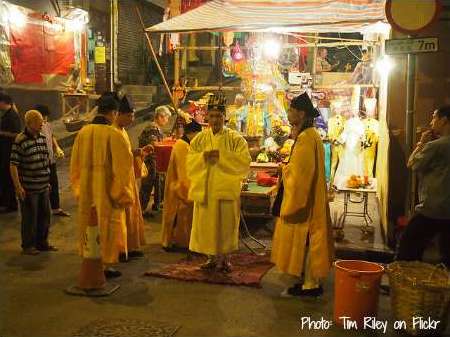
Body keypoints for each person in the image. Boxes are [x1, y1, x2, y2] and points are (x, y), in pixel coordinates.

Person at [271, 92, 334, 297]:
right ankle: (308, 282)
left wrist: (284, 170)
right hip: (312, 198)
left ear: (301, 113)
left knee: (307, 241)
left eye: (291, 110)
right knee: (309, 242)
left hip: (306, 202)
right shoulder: (311, 135)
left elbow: (300, 176)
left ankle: (310, 285)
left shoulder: (306, 137)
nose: (288, 114)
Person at [70, 94, 134, 278]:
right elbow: (123, 171)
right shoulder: (114, 134)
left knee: (89, 227)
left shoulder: (83, 132)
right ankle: (105, 266)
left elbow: (74, 165)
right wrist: (120, 194)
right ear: (114, 113)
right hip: (107, 193)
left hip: (87, 191)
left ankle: (91, 260)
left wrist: (79, 189)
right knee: (107, 228)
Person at [187, 94, 251, 272]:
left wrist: (221, 157)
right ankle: (210, 258)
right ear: (207, 117)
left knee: (225, 226)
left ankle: (224, 258)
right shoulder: (199, 139)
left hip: (225, 191)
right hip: (206, 190)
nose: (215, 120)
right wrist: (203, 157)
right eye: (212, 116)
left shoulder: (236, 139)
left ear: (225, 118)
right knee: (207, 227)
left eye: (219, 116)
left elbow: (244, 162)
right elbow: (190, 161)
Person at [397, 105, 450, 267]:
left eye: (434, 117)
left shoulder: (436, 146)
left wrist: (421, 143)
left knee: (407, 249)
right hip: (447, 210)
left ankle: (407, 286)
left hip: (432, 208)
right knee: (447, 255)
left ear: (444, 120)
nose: (431, 121)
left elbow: (412, 164)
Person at [10, 110, 56, 255]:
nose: (42, 124)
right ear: (29, 123)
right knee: (30, 217)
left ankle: (42, 242)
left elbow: (44, 160)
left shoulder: (42, 137)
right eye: (39, 121)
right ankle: (28, 245)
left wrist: (47, 181)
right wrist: (18, 186)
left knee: (45, 216)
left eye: (42, 120)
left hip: (43, 185)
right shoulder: (20, 140)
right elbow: (13, 164)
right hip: (29, 187)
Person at [114, 95, 152, 261]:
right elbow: (116, 158)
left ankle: (131, 245)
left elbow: (126, 155)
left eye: (133, 115)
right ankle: (121, 249)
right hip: (120, 181)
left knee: (132, 213)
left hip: (128, 178)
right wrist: (133, 154)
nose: (132, 119)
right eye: (130, 115)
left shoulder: (122, 131)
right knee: (121, 216)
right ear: (118, 114)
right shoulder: (113, 132)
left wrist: (138, 153)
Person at [161, 119, 202, 251]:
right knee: (178, 218)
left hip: (179, 187)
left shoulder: (185, 145)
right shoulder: (182, 146)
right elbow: (184, 173)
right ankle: (175, 243)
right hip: (179, 189)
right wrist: (190, 193)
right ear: (193, 133)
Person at [33, 105, 70, 217]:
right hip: (40, 162)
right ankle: (40, 211)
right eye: (43, 117)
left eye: (45, 117)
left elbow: (52, 137)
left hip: (51, 159)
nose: (45, 119)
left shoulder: (48, 125)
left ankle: (56, 208)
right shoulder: (34, 129)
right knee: (42, 186)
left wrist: (57, 148)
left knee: (54, 183)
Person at [138, 105, 171, 216]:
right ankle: (140, 210)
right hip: (150, 160)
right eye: (167, 118)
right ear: (161, 117)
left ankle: (155, 204)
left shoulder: (155, 128)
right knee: (147, 186)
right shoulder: (152, 128)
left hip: (153, 159)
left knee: (157, 182)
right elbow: (154, 145)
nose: (167, 121)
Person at [0, 93, 22, 213]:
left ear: (3, 102)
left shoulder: (12, 116)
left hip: (9, 151)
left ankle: (10, 204)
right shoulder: (6, 114)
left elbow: (16, 133)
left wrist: (2, 133)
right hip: (4, 150)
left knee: (8, 178)